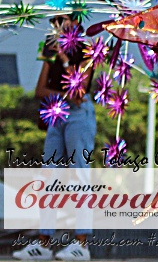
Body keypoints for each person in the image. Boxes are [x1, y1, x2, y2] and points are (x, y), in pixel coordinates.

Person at [14, 14, 95, 262]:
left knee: (80, 175)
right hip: (56, 113)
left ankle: (81, 244)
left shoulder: (88, 50)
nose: (57, 25)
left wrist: (64, 59)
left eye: (62, 20)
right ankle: (43, 243)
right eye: (55, 22)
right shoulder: (49, 47)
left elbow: (79, 92)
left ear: (76, 23)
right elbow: (40, 90)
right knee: (49, 175)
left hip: (79, 116)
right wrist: (63, 92)